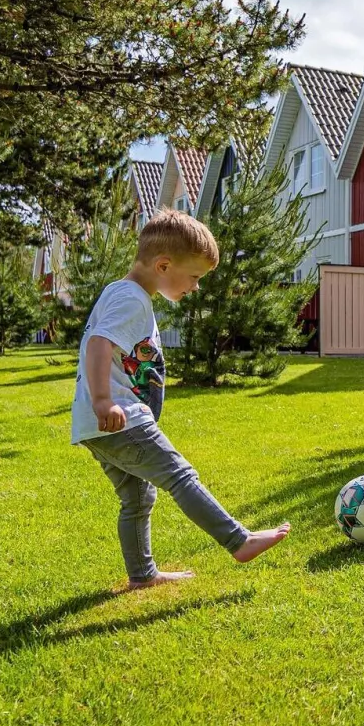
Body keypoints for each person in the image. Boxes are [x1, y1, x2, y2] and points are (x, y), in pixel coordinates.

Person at [71, 209, 291, 588]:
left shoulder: (120, 291)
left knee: (138, 498)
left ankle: (142, 575)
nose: (196, 287)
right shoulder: (133, 299)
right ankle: (239, 540)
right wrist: (105, 400)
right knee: (180, 476)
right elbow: (98, 342)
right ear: (163, 265)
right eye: (194, 277)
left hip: (99, 426)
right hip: (119, 419)